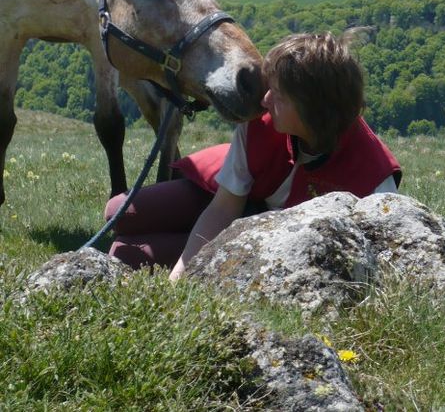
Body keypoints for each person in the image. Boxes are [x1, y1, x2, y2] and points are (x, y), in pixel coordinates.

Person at [105, 31, 401, 280]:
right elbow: (223, 209)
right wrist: (178, 281)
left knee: (125, 252)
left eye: (279, 96)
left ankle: (174, 247)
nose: (265, 100)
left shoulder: (373, 177)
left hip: (270, 241)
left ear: (312, 111)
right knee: (119, 212)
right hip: (230, 200)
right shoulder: (260, 123)